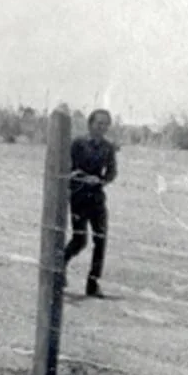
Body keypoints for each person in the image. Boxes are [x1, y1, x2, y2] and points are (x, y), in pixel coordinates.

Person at [65, 109, 119, 297]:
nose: (102, 127)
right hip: (79, 196)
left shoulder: (108, 147)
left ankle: (93, 283)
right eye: (99, 123)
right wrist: (81, 178)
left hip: (97, 197)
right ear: (90, 124)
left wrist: (102, 181)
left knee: (101, 240)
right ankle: (59, 267)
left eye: (106, 124)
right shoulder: (78, 144)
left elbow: (112, 172)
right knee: (80, 241)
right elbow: (67, 168)